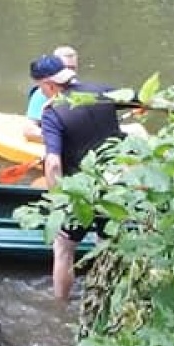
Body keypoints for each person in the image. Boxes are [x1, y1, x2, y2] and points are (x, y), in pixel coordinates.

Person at [30, 52, 123, 302]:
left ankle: (59, 307)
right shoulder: (102, 91)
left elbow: (52, 164)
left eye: (40, 88)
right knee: (107, 246)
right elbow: (141, 102)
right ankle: (105, 303)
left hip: (80, 192)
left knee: (63, 248)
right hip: (114, 186)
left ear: (48, 84)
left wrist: (58, 200)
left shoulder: (53, 113)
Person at [24, 43, 79, 123]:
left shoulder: (83, 89)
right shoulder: (42, 93)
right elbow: (29, 129)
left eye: (72, 68)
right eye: (65, 68)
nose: (69, 72)